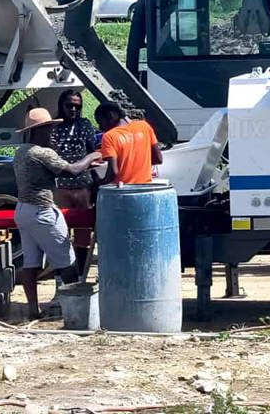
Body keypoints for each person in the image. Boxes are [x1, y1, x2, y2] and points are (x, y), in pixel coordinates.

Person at [13, 107, 101, 320]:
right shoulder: (43, 153)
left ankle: (33, 309)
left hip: (23, 210)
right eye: (49, 129)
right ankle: (74, 310)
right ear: (39, 131)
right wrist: (92, 155)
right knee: (67, 261)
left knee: (31, 263)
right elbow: (73, 170)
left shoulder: (21, 152)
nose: (52, 133)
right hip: (42, 212)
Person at [49, 90, 97, 265]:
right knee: (60, 232)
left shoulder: (84, 124)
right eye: (69, 105)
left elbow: (92, 150)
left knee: (83, 232)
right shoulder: (53, 126)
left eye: (77, 106)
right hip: (60, 186)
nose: (73, 109)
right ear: (61, 105)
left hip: (83, 186)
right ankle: (63, 271)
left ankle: (80, 271)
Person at [94, 101, 163, 185]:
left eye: (100, 122)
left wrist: (99, 183)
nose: (100, 127)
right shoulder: (144, 126)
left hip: (123, 189)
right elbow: (158, 159)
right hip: (145, 187)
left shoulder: (109, 136)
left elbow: (113, 172)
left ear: (110, 116)